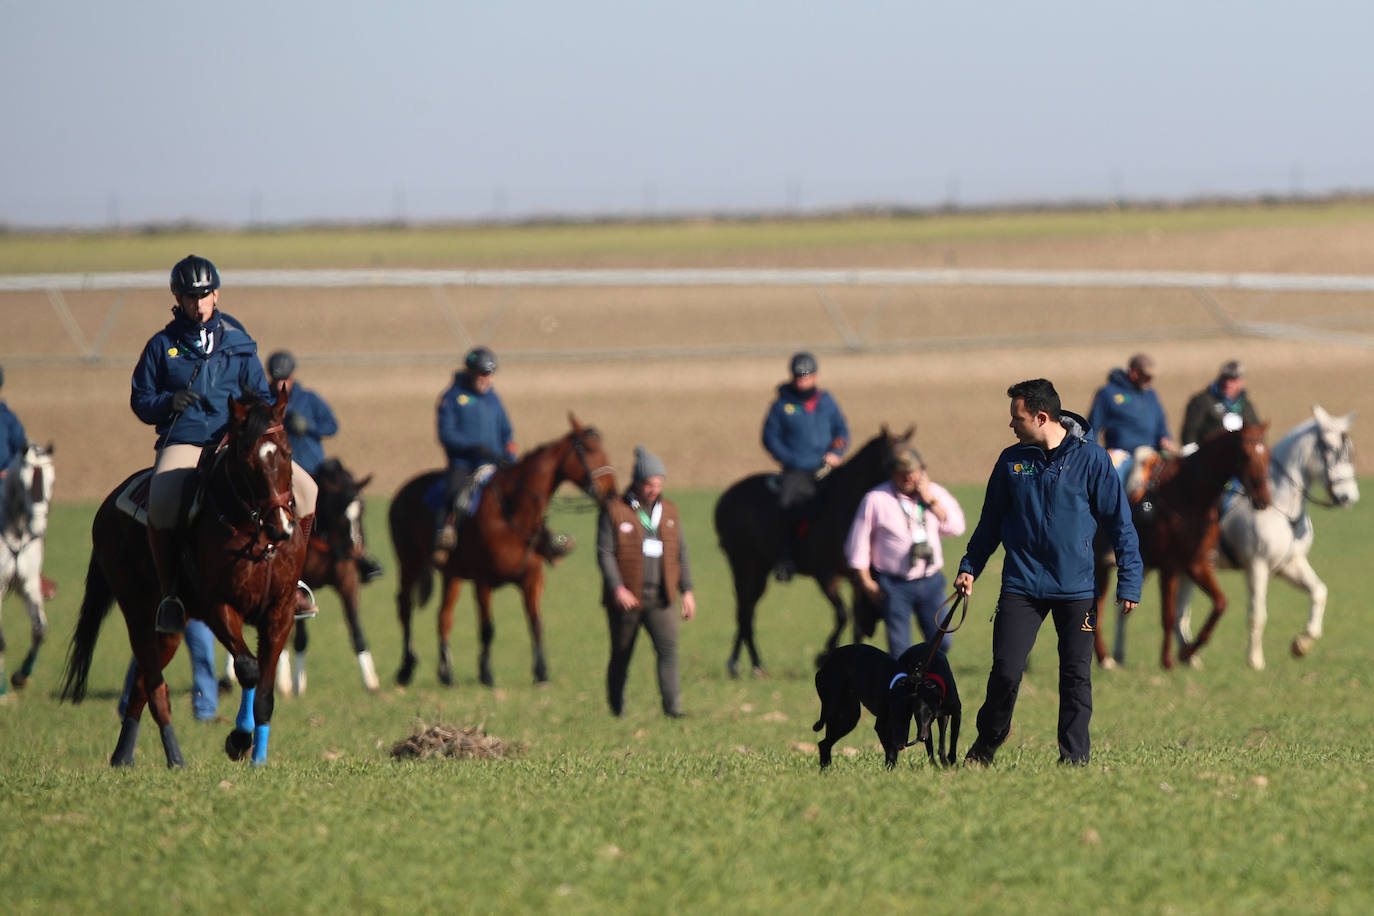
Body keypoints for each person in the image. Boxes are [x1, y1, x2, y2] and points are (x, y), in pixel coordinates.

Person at [954, 379, 1142, 767]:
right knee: (1005, 671)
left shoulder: (1093, 460)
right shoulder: (1011, 461)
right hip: (1022, 585)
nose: (1011, 425)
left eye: (1016, 418)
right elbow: (990, 522)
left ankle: (1073, 759)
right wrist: (970, 566)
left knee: (1076, 678)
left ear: (1041, 417)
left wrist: (1130, 579)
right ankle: (987, 743)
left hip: (1077, 589)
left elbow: (1120, 523)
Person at [130, 254, 318, 635]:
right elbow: (140, 399)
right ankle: (172, 595)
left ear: (216, 295)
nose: (197, 303)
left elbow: (260, 395)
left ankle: (293, 582)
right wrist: (168, 402)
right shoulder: (161, 345)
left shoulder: (239, 341)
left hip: (233, 441)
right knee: (163, 498)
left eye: (203, 295)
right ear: (178, 299)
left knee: (308, 489)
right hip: (185, 439)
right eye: (189, 296)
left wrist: (256, 422)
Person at [267, 350, 383, 583]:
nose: (281, 383)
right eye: (276, 378)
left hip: (315, 471)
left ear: (293, 376)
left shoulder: (309, 399)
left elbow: (332, 426)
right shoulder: (265, 401)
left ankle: (362, 556)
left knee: (350, 501)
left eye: (285, 378)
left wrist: (307, 426)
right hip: (280, 474)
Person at [597, 446, 696, 718]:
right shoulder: (615, 510)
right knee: (622, 653)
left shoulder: (669, 511)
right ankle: (617, 709)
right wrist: (617, 588)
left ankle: (673, 709)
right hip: (628, 599)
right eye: (650, 484)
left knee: (669, 650)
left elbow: (681, 552)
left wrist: (687, 590)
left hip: (661, 598)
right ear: (638, 481)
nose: (655, 489)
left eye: (659, 484)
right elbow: (604, 553)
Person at [845, 445, 966, 658]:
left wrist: (930, 501)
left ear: (922, 471)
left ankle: (923, 674)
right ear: (892, 472)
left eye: (914, 472)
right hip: (893, 585)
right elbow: (858, 544)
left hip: (930, 582)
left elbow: (956, 527)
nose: (909, 477)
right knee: (899, 649)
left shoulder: (935, 494)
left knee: (942, 641)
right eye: (903, 473)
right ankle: (904, 686)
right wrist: (866, 582)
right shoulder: (876, 499)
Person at [761, 351, 849, 580]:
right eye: (798, 376)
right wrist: (791, 460)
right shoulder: (782, 405)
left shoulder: (826, 401)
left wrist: (836, 452)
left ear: (815, 376)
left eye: (807, 375)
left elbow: (841, 430)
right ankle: (785, 558)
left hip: (826, 468)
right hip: (796, 470)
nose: (803, 380)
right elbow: (770, 438)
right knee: (786, 505)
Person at [432, 345, 518, 564]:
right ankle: (444, 536)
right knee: (453, 493)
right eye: (481, 374)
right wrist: (474, 447)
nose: (485, 379)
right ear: (470, 372)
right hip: (464, 463)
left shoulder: (493, 398)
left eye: (489, 374)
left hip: (496, 463)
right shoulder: (452, 397)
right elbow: (446, 434)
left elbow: (506, 430)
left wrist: (509, 451)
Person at [0, 364, 57, 602]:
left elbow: (21, 450)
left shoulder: (7, 418)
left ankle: (31, 571)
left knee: (33, 508)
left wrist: (12, 472)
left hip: (5, 483)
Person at [1086, 353, 1178, 487]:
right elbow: (1093, 426)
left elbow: (1161, 424)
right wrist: (1093, 454)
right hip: (1120, 453)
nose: (1150, 380)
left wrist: (1165, 438)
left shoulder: (1151, 395)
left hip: (1150, 452)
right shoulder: (1108, 393)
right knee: (1110, 483)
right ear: (1134, 373)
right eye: (1147, 376)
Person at [1179, 359, 1261, 454]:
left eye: (1233, 380)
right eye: (1225, 378)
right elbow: (1190, 433)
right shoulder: (1202, 401)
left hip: (1238, 460)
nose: (1228, 384)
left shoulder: (1246, 406)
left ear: (1241, 382)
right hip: (1208, 458)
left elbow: (1256, 431)